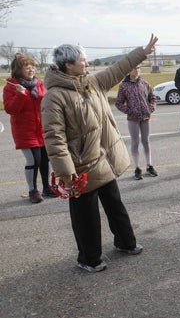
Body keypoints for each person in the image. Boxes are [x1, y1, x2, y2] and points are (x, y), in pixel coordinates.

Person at [41, 34, 158, 273]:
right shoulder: (54, 96)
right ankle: (89, 258)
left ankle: (126, 243)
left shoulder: (92, 83)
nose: (86, 63)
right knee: (86, 218)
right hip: (80, 168)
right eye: (82, 60)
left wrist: (143, 52)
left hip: (103, 161)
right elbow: (55, 138)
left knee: (115, 205)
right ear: (68, 65)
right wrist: (66, 173)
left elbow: (118, 68)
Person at [3, 54, 56, 203]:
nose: (31, 69)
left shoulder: (39, 84)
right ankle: (33, 191)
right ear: (18, 70)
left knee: (46, 159)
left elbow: (47, 103)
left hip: (42, 128)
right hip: (24, 131)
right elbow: (11, 109)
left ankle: (47, 188)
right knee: (34, 160)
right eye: (27, 67)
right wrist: (20, 95)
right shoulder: (11, 87)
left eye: (33, 66)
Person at [115, 65, 158, 180]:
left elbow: (152, 98)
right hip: (133, 119)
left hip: (145, 117)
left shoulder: (144, 83)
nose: (137, 70)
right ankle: (137, 168)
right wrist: (129, 111)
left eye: (138, 67)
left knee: (146, 141)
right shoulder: (124, 86)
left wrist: (151, 108)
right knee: (135, 142)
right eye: (134, 68)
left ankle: (149, 166)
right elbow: (118, 103)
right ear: (129, 70)